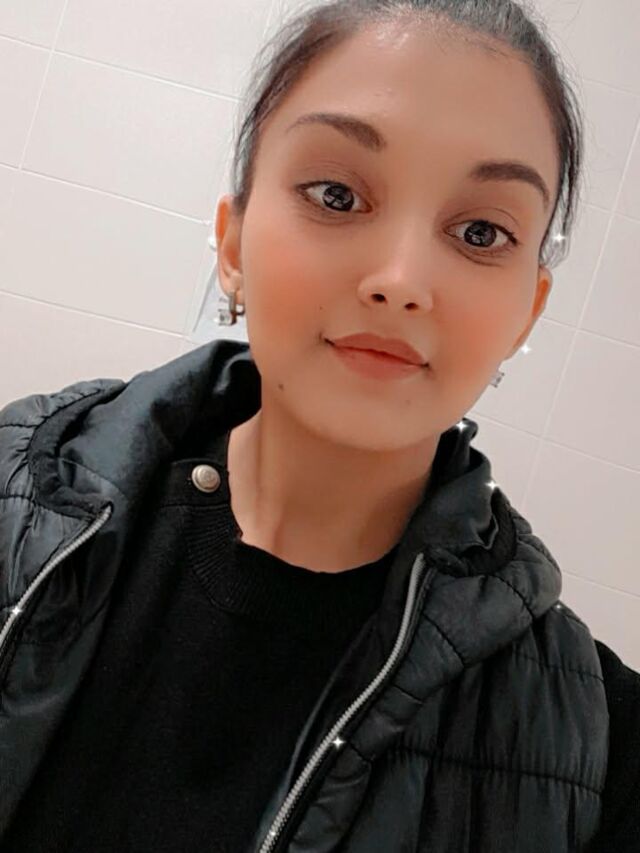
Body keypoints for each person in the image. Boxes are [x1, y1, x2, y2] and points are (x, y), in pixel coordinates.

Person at [0, 0, 638, 850]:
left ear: (527, 308)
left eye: (481, 231)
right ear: (233, 241)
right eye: (337, 194)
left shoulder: (594, 747)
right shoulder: (16, 499)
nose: (401, 279)